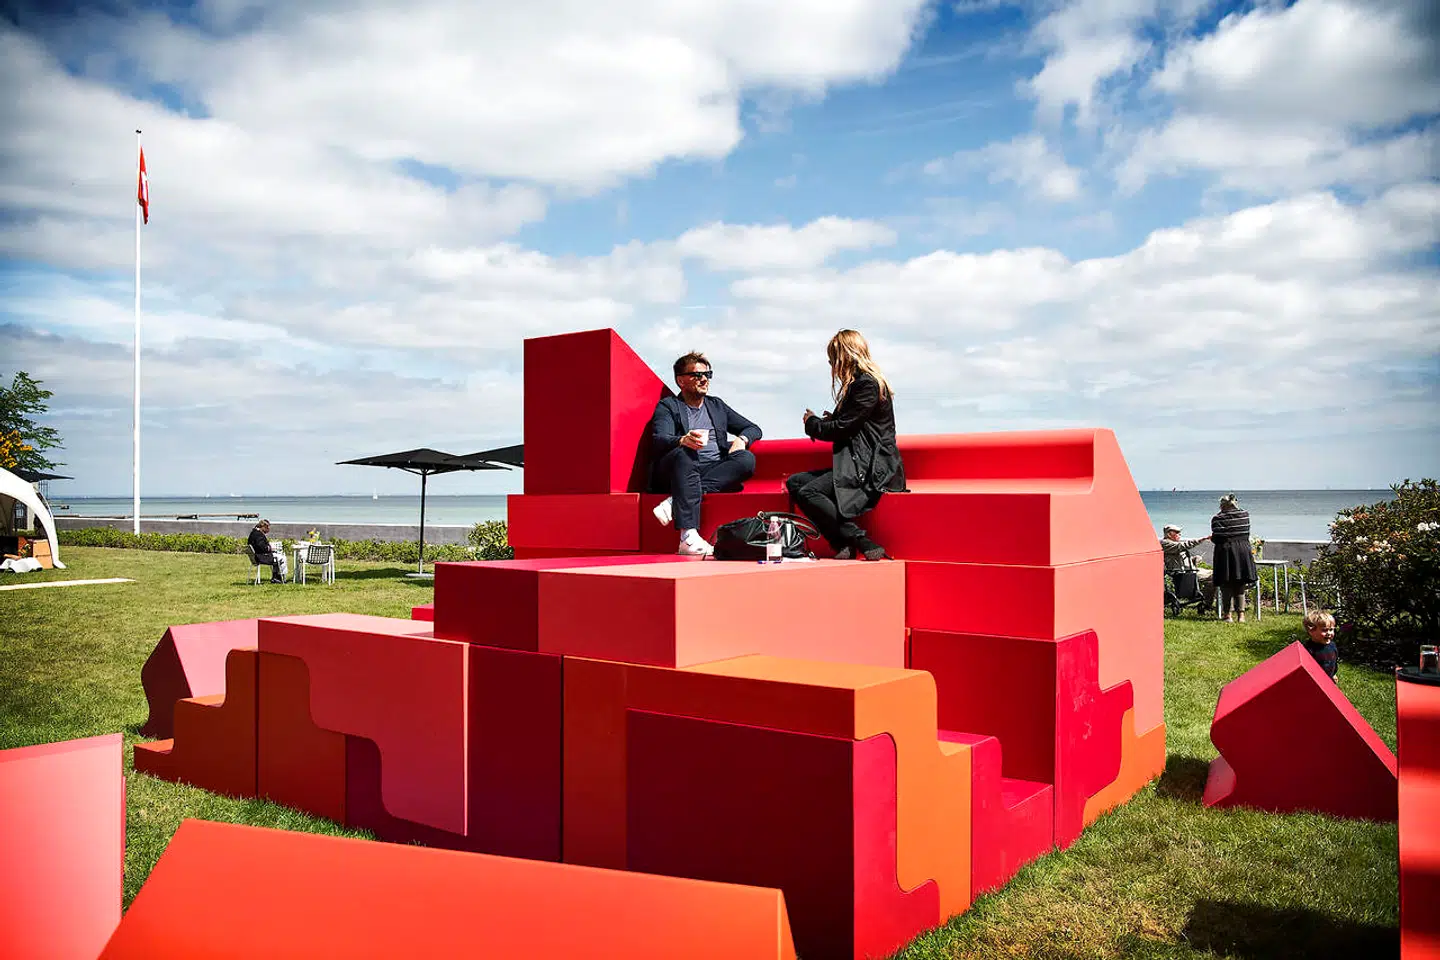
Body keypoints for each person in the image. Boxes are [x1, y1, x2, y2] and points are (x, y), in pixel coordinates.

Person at [787, 329, 906, 560]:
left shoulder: (866, 385)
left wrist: (812, 424)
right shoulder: (862, 384)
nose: (832, 366)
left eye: (833, 360)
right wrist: (831, 420)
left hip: (873, 468)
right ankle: (843, 543)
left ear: (844, 358)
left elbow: (844, 429)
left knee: (810, 491)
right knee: (795, 482)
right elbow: (853, 425)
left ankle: (860, 540)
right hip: (860, 463)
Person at [649, 352, 762, 557]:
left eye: (707, 374)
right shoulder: (669, 406)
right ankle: (688, 538)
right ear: (680, 380)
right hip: (678, 469)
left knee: (746, 459)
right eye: (697, 375)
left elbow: (753, 428)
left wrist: (742, 439)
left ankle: (676, 502)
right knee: (686, 454)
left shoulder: (716, 405)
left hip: (711, 469)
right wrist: (682, 440)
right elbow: (659, 439)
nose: (704, 379)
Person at [1210, 493, 1257, 622]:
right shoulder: (1245, 515)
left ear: (1222, 505)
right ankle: (1241, 615)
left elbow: (1216, 537)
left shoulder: (1217, 518)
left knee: (1226, 584)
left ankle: (1227, 615)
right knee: (1240, 583)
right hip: (1243, 550)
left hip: (1225, 551)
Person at [1161, 524, 1214, 606]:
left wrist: (1193, 559)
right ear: (1169, 534)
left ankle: (1206, 602)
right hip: (1184, 573)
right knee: (1214, 577)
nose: (1180, 534)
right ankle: (1206, 603)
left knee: (1215, 576)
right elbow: (1183, 546)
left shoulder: (1174, 544)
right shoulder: (1165, 543)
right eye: (1177, 532)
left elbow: (1181, 558)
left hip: (1191, 570)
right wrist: (1203, 539)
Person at [1300, 609, 1339, 681]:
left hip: (1328, 680)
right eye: (1324, 630)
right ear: (1311, 631)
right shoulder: (1308, 649)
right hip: (1314, 681)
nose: (1329, 633)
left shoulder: (1332, 645)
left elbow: (1334, 662)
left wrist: (1333, 674)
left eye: (1331, 630)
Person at [247, 519, 288, 583]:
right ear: (263, 527)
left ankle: (275, 577)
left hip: (256, 556)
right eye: (267, 527)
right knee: (282, 558)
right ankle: (281, 577)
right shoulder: (258, 535)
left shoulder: (253, 533)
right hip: (261, 557)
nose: (268, 529)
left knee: (277, 557)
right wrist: (270, 548)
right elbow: (262, 547)